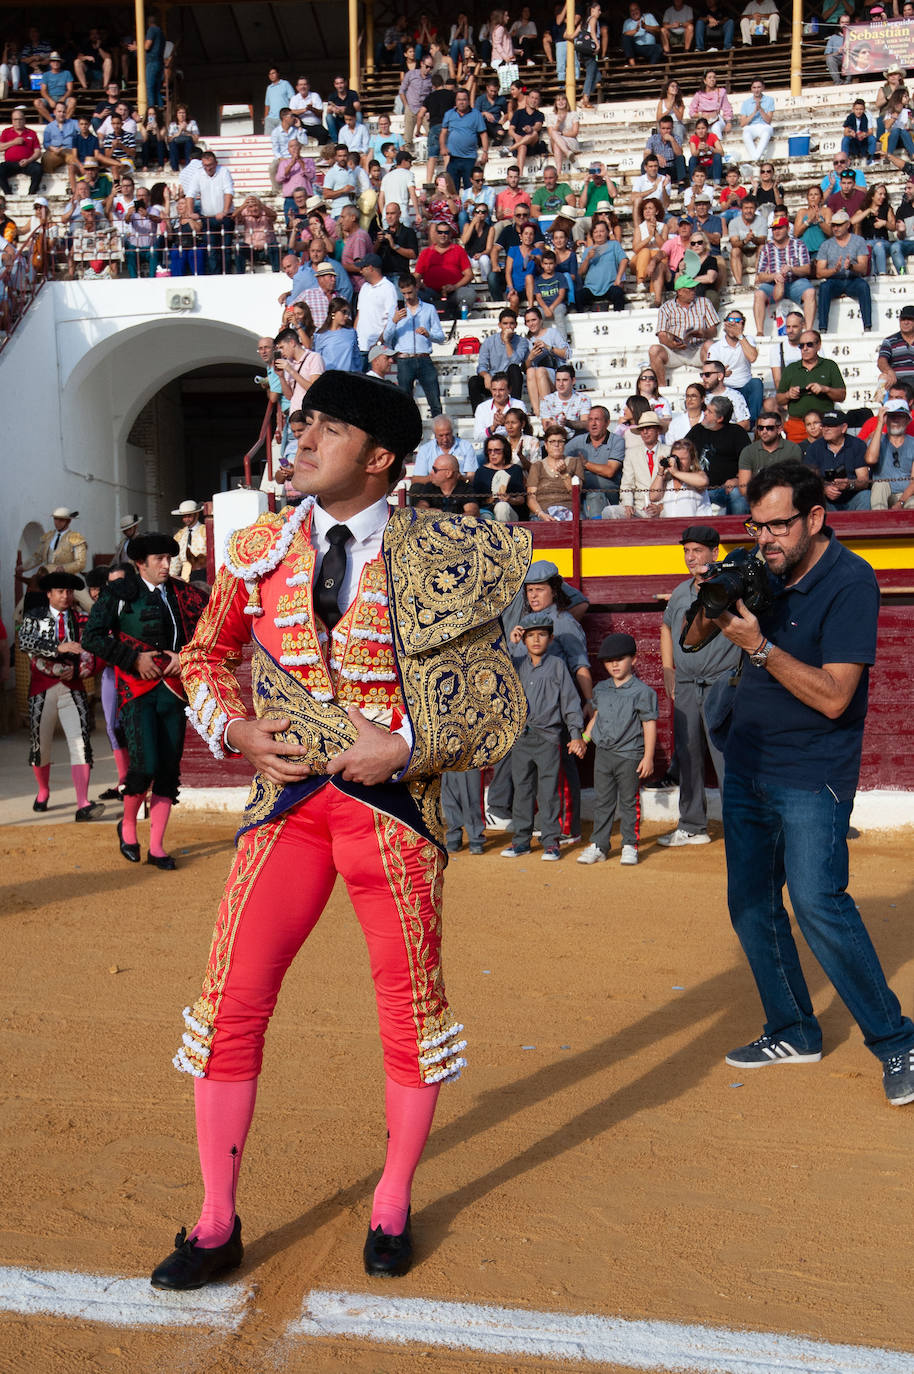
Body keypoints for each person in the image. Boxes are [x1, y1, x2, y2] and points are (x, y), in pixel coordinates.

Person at [148, 370, 530, 1289]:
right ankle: (213, 1220)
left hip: (391, 818)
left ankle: (392, 1201)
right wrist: (235, 730)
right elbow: (203, 656)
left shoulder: (443, 552)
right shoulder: (255, 550)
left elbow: (492, 703)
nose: (302, 439)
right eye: (303, 422)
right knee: (228, 1004)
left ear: (381, 457)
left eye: (327, 428)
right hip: (285, 813)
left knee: (411, 1016)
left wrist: (402, 747)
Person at [684, 462, 914, 1106]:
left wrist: (758, 648)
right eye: (756, 526)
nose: (766, 539)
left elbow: (837, 698)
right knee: (751, 905)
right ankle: (792, 1027)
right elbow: (693, 639)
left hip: (813, 773)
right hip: (751, 763)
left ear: (815, 518)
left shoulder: (851, 581)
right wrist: (715, 594)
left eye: (779, 525)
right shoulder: (759, 563)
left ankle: (898, 1042)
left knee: (818, 902)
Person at [83, 534, 208, 870]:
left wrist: (184, 657)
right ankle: (127, 827)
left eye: (169, 557)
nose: (167, 565)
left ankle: (156, 847)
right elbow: (91, 637)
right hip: (135, 691)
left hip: (173, 691)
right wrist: (133, 659)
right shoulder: (119, 593)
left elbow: (208, 635)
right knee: (145, 764)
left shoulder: (185, 594)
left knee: (168, 768)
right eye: (159, 559)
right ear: (141, 563)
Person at [657, 526, 741, 847]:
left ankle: (739, 827)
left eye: (697, 551)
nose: (691, 557)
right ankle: (692, 824)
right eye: (687, 551)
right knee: (689, 753)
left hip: (723, 683)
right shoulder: (680, 592)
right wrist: (668, 670)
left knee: (727, 758)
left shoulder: (729, 588)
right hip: (688, 686)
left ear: (714, 553)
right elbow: (666, 628)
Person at [18, 571, 103, 822]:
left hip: (73, 686)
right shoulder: (36, 617)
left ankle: (83, 802)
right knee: (40, 746)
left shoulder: (83, 620)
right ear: (49, 594)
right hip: (42, 689)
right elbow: (26, 643)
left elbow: (94, 652)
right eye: (60, 592)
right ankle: (44, 791)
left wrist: (77, 670)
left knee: (80, 744)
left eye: (68, 592)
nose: (65, 596)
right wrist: (58, 649)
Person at [501, 614, 586, 861]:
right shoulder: (516, 662)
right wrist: (512, 642)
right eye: (530, 635)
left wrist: (576, 734)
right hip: (521, 739)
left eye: (541, 634)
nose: (536, 640)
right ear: (524, 639)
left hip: (548, 737)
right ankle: (521, 841)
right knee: (522, 790)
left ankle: (551, 841)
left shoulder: (557, 666)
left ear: (551, 638)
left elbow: (570, 702)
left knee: (549, 791)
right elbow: (496, 671)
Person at [576, 632, 657, 866]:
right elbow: (597, 719)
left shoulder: (643, 692)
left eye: (620, 659)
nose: (614, 664)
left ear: (634, 660)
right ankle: (599, 845)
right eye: (609, 660)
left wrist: (648, 757)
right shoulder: (601, 689)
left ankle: (630, 845)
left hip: (630, 755)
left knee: (629, 803)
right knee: (602, 801)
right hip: (603, 754)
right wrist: (584, 739)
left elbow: (649, 724)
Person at [382, 273, 445, 415]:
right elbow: (386, 337)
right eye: (404, 293)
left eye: (410, 292)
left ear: (416, 288)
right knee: (404, 403)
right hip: (404, 359)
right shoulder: (396, 310)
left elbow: (441, 337)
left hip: (424, 358)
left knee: (435, 402)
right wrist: (394, 321)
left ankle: (439, 434)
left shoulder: (429, 309)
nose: (407, 297)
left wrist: (428, 334)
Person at [775, 329, 846, 445]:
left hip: (824, 423)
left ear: (818, 345)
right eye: (801, 345)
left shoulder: (829, 366)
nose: (805, 348)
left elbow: (842, 395)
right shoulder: (791, 369)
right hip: (797, 425)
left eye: (809, 344)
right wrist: (789, 394)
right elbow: (779, 399)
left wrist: (825, 389)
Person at [649, 276, 720, 388]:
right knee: (654, 350)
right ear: (679, 291)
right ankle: (662, 388)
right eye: (689, 289)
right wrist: (671, 344)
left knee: (710, 345)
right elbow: (661, 335)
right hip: (675, 351)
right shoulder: (666, 307)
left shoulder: (704, 302)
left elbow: (714, 331)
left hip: (698, 348)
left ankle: (711, 386)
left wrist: (703, 333)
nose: (693, 291)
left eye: (694, 288)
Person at [752, 213, 816, 337]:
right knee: (759, 294)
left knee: (810, 292)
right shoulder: (766, 248)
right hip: (773, 284)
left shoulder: (799, 244)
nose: (776, 231)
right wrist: (774, 276)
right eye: (774, 229)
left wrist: (792, 269)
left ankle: (809, 330)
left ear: (788, 229)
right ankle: (760, 331)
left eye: (780, 228)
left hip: (795, 282)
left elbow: (807, 269)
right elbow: (760, 275)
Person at [688, 395, 750, 513]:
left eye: (709, 412)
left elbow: (749, 462)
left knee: (738, 493)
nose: (704, 413)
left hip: (724, 489)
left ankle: (736, 531)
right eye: (706, 409)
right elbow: (681, 452)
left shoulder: (737, 433)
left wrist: (737, 480)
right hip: (698, 488)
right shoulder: (697, 430)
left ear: (720, 418)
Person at [815, 210, 872, 333]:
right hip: (834, 280)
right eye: (834, 225)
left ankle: (868, 326)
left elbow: (863, 268)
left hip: (853, 279)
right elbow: (819, 272)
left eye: (839, 225)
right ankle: (823, 328)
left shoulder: (858, 241)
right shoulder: (826, 245)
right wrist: (834, 270)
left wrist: (851, 267)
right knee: (824, 287)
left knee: (864, 286)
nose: (835, 228)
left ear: (847, 225)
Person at [803, 410, 871, 511]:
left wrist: (849, 485)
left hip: (852, 496)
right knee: (812, 497)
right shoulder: (814, 448)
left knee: (866, 496)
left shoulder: (857, 445)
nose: (826, 429)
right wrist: (824, 489)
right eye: (824, 425)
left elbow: (864, 480)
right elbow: (809, 479)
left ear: (843, 428)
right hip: (826, 500)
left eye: (831, 426)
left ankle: (863, 526)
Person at [567, 404, 624, 517]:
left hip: (608, 495)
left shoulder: (617, 441)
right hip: (580, 492)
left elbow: (609, 471)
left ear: (607, 423)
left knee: (595, 497)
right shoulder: (578, 441)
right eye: (590, 420)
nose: (593, 424)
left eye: (597, 420)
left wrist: (585, 464)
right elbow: (558, 457)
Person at [415, 221, 475, 318]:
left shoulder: (458, 250)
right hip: (430, 292)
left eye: (446, 232)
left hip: (454, 292)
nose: (443, 235)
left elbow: (469, 275)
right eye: (440, 232)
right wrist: (419, 284)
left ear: (450, 234)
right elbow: (417, 274)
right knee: (416, 295)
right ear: (436, 234)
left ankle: (459, 317)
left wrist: (454, 287)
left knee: (469, 294)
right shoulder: (426, 252)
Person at [526, 428, 586, 520]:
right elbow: (531, 497)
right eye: (552, 441)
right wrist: (541, 514)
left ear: (564, 444)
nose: (556, 445)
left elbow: (576, 493)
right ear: (546, 445)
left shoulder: (575, 462)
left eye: (560, 441)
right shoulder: (537, 466)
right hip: (543, 513)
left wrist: (564, 474)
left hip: (569, 511)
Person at [864, 399, 914, 508]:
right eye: (892, 416)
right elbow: (870, 459)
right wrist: (880, 423)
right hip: (881, 493)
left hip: (906, 495)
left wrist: (900, 502)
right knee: (880, 484)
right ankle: (879, 523)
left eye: (900, 416)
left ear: (907, 419)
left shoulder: (912, 443)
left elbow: (913, 482)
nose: (895, 420)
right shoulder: (878, 440)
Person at [737, 412, 802, 492]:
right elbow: (744, 486)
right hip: (756, 496)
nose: (764, 431)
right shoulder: (748, 451)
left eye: (769, 428)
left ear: (779, 429)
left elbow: (795, 482)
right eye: (760, 428)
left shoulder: (793, 449)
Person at [619, 415, 670, 516]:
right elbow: (627, 484)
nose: (645, 432)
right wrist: (628, 504)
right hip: (638, 508)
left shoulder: (669, 452)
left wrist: (661, 507)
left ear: (658, 430)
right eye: (642, 429)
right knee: (610, 512)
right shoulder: (631, 453)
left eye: (649, 428)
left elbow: (676, 486)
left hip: (663, 509)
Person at [648, 438, 712, 518]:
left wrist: (676, 472)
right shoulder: (668, 480)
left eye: (683, 459)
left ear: (692, 460)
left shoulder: (697, 475)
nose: (678, 462)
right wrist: (660, 472)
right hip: (673, 528)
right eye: (676, 458)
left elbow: (703, 481)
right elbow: (653, 497)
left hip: (695, 528)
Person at [473, 433, 526, 522]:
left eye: (497, 450)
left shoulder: (515, 470)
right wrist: (490, 499)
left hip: (510, 513)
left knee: (502, 506)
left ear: (505, 451)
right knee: (486, 516)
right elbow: (476, 500)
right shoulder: (481, 471)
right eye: (490, 451)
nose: (493, 454)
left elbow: (521, 499)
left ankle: (503, 535)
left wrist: (510, 499)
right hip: (487, 512)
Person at [577, 221, 628, 312]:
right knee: (579, 296)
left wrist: (618, 278)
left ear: (607, 233)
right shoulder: (588, 250)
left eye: (602, 231)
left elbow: (624, 260)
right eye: (596, 232)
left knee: (618, 293)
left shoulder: (614, 245)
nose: (598, 234)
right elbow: (581, 272)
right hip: (591, 288)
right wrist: (588, 258)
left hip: (610, 286)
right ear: (592, 235)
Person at [0, 106, 43, 197]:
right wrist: (13, 142)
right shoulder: (6, 132)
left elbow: (38, 151)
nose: (18, 122)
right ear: (12, 121)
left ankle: (31, 194)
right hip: (11, 163)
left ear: (24, 120)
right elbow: (0, 147)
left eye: (20, 119)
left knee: (38, 169)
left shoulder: (31, 133)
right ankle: (8, 195)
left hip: (27, 163)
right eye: (15, 119)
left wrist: (29, 160)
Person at [473, 371, 527, 440]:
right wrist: (493, 427)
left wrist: (505, 423)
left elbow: (525, 431)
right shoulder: (482, 408)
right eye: (494, 390)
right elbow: (477, 437)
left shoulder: (518, 405)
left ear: (509, 389)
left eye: (501, 390)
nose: (497, 394)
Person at [876, 304, 914, 390]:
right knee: (883, 377)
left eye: (910, 319)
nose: (906, 322)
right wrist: (889, 371)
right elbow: (881, 361)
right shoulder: (890, 341)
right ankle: (879, 402)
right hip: (898, 382)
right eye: (903, 319)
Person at [170, 500, 209, 583]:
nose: (186, 519)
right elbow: (175, 561)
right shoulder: (179, 535)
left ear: (197, 514)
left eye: (189, 516)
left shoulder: (206, 531)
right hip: (185, 578)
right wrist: (171, 577)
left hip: (203, 575)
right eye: (184, 516)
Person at [739, 78, 774, 163]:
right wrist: (754, 112)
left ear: (763, 88)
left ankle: (755, 158)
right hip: (751, 126)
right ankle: (756, 157)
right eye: (754, 87)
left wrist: (760, 109)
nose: (756, 90)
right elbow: (742, 124)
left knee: (766, 133)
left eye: (758, 87)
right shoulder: (746, 103)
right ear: (751, 89)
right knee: (746, 133)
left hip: (764, 126)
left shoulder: (769, 100)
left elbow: (768, 120)